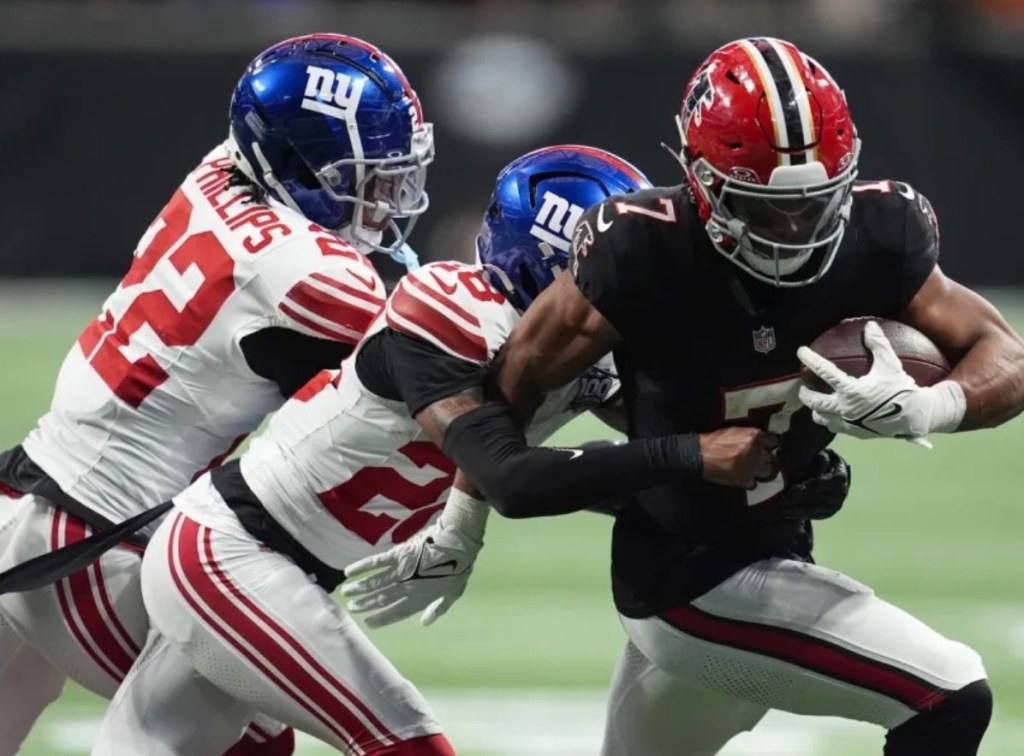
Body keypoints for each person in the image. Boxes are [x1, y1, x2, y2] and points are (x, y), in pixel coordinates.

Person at [348, 38, 1024, 756]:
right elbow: (518, 378)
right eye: (765, 208)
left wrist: (928, 407)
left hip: (770, 554)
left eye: (814, 204)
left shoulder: (883, 233)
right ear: (699, 179)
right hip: (694, 584)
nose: (794, 229)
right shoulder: (641, 248)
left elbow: (1005, 354)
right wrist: (460, 523)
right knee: (950, 697)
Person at [80, 144, 739, 755]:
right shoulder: (451, 312)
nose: (637, 281)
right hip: (230, 555)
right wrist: (686, 457)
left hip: (277, 568)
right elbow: (511, 476)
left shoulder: (577, 348)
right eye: (620, 262)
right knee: (406, 744)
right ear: (553, 259)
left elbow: (670, 431)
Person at [0, 32, 432, 756]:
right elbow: (425, 387)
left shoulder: (219, 169)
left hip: (28, 492)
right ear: (295, 168)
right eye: (366, 181)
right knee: (250, 739)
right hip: (96, 542)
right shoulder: (318, 277)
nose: (386, 204)